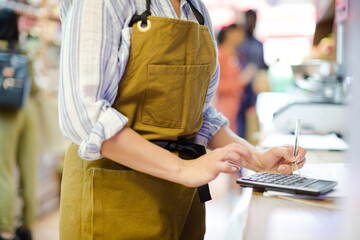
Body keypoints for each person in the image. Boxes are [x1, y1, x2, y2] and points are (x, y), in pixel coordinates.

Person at [58, 0, 306, 239]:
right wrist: (184, 169)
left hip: (182, 202)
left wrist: (258, 160)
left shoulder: (196, 10)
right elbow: (85, 116)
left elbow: (200, 114)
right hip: (112, 201)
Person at [0, 8, 37, 240]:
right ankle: (27, 226)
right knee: (27, 170)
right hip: (27, 111)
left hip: (5, 113)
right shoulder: (23, 52)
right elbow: (34, 89)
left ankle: (5, 229)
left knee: (3, 172)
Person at [215, 24, 256, 133]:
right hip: (226, 106)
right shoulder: (221, 54)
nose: (242, 36)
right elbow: (216, 84)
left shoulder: (237, 53)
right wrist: (240, 81)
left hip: (240, 104)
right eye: (238, 33)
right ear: (230, 33)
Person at [237, 9, 267, 138]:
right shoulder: (240, 43)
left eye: (254, 20)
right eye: (249, 20)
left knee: (254, 119)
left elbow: (262, 64)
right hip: (241, 88)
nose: (252, 23)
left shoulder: (258, 44)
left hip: (255, 88)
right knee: (240, 121)